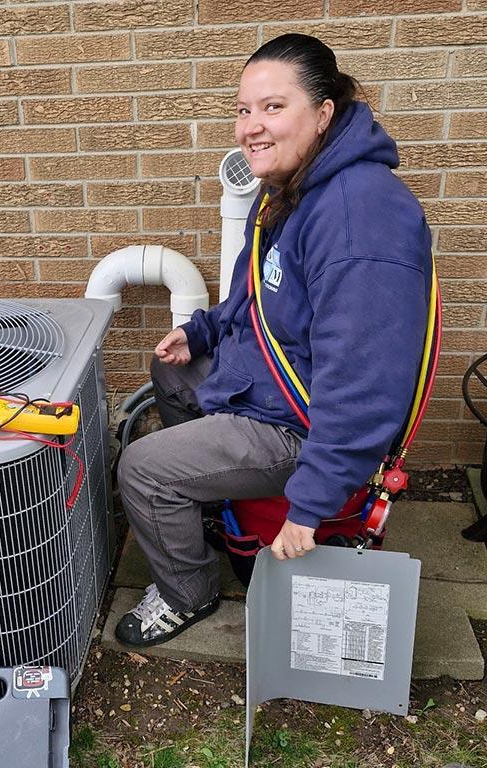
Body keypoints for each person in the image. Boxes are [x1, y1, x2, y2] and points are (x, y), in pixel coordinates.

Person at [114, 33, 432, 648]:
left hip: (301, 422)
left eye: (273, 107)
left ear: (323, 113)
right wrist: (201, 328)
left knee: (142, 469)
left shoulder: (359, 215)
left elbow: (366, 384)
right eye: (243, 109)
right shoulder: (293, 184)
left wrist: (309, 507)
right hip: (269, 380)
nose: (251, 127)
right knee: (175, 375)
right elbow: (256, 291)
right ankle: (207, 508)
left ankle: (189, 592)